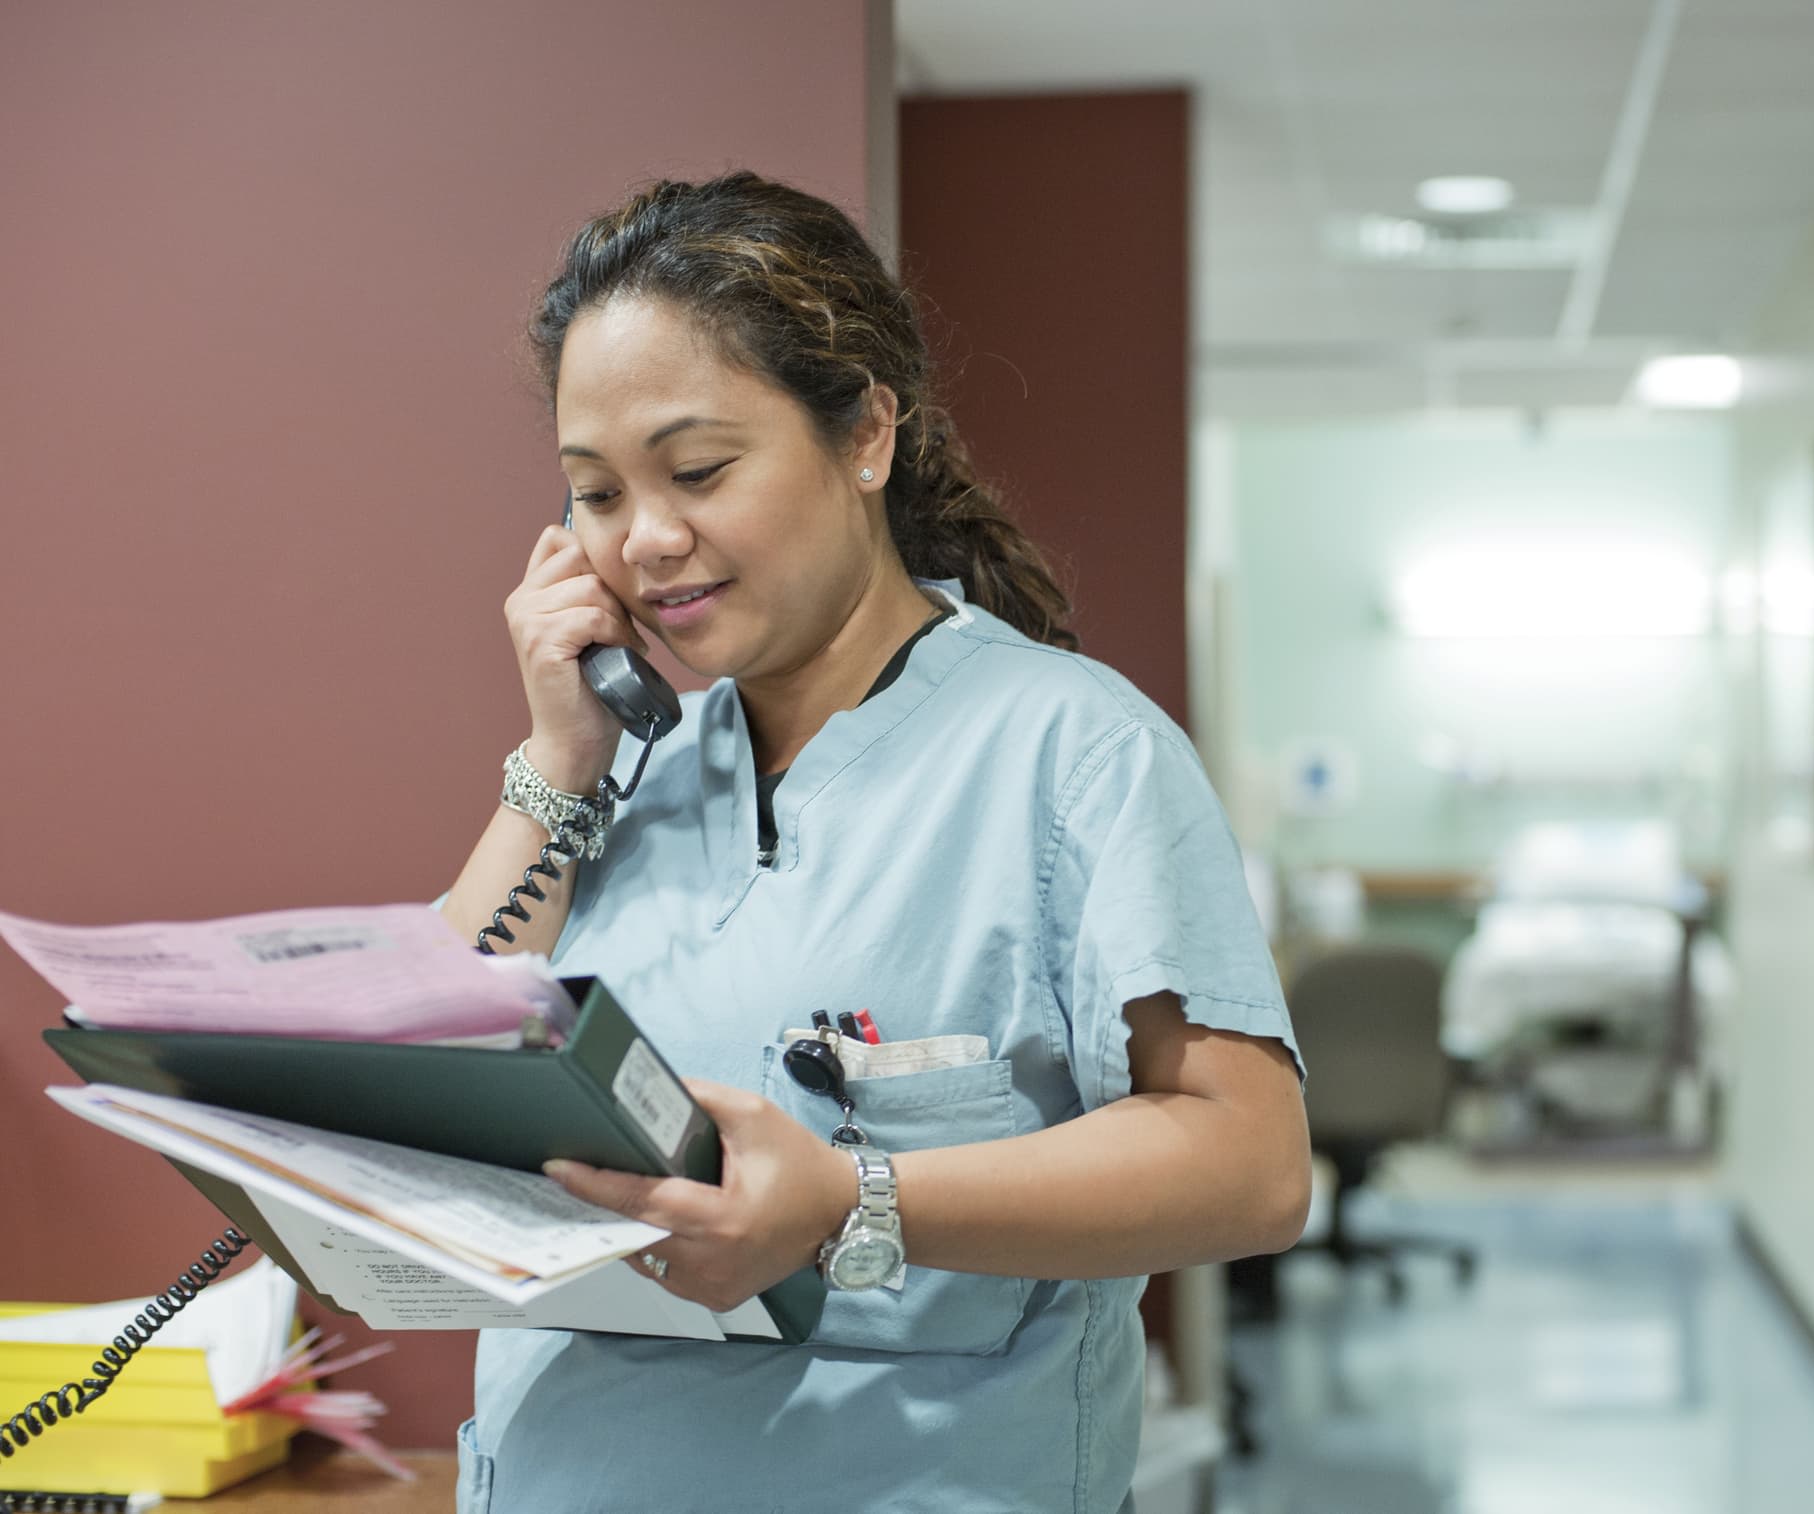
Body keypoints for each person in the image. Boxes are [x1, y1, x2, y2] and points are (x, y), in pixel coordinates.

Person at [439, 170, 1310, 1514]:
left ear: (863, 436)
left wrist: (850, 1193)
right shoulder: (621, 762)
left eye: (698, 470)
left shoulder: (1072, 752)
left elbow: (1249, 1166)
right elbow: (431, 1068)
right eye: (595, 493)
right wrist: (559, 756)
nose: (647, 540)